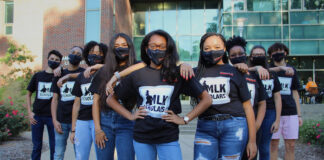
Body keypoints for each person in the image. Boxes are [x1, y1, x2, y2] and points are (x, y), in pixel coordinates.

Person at [107, 30, 212, 160]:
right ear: (146, 49)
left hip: (168, 137)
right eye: (153, 46)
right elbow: (111, 99)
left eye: (162, 46)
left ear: (168, 50)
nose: (157, 50)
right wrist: (130, 115)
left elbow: (206, 99)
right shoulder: (137, 75)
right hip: (142, 137)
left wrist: (185, 119)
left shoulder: (178, 73)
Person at [189, 33, 256, 160]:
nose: (212, 51)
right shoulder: (195, 72)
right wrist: (183, 66)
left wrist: (252, 141)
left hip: (234, 127)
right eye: (207, 48)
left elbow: (248, 107)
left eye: (217, 46)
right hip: (205, 127)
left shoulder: (236, 71)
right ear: (202, 51)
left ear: (224, 48)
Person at [88, 33, 138, 160]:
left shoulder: (136, 68)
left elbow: (146, 64)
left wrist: (116, 77)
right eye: (116, 45)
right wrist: (97, 129)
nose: (120, 48)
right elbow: (95, 101)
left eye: (124, 45)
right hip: (105, 122)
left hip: (126, 121)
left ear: (130, 47)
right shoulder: (104, 71)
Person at [226, 36, 267, 160]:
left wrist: (257, 124)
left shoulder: (254, 76)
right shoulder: (226, 74)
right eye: (233, 55)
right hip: (231, 129)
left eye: (240, 53)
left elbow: (262, 103)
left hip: (252, 129)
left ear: (246, 54)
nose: (237, 57)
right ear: (229, 58)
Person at [69, 41, 107, 160]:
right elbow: (76, 103)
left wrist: (96, 67)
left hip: (101, 122)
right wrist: (73, 129)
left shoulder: (107, 74)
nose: (95, 55)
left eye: (99, 53)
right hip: (82, 122)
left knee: (101, 155)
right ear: (86, 54)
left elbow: (115, 67)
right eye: (92, 52)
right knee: (81, 156)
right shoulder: (81, 77)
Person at [268, 43, 302, 160]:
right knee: (273, 145)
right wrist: (280, 68)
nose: (278, 54)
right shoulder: (268, 70)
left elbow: (295, 92)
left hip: (290, 112)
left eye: (280, 51)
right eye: (274, 52)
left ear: (285, 53)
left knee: (291, 145)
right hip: (273, 113)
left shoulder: (292, 70)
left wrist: (299, 115)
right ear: (270, 55)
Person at [26, 50, 63, 160]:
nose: (54, 61)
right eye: (52, 59)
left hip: (52, 117)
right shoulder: (38, 76)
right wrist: (29, 112)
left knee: (54, 146)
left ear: (60, 62)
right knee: (37, 146)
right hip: (37, 116)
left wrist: (60, 69)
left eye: (57, 60)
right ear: (47, 59)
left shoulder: (60, 76)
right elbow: (28, 94)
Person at [248, 45, 282, 160]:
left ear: (265, 57)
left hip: (269, 113)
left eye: (261, 55)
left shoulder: (272, 74)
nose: (258, 57)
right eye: (255, 55)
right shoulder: (247, 73)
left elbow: (277, 97)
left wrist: (277, 120)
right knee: (250, 146)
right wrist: (256, 68)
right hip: (252, 112)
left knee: (264, 146)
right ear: (251, 57)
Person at [51, 46, 85, 160]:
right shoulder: (58, 74)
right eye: (73, 52)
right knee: (58, 153)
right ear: (68, 54)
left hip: (79, 122)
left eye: (78, 54)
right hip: (61, 120)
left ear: (82, 58)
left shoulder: (84, 74)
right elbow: (54, 99)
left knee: (79, 154)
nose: (75, 55)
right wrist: (54, 120)